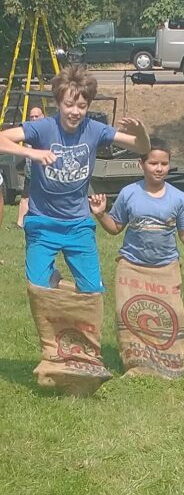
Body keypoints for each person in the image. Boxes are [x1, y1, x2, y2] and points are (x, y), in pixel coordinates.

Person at [0, 66, 151, 392]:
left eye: (81, 106)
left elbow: (141, 147)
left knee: (92, 293)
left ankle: (86, 357)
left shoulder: (95, 130)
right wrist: (32, 151)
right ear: (59, 103)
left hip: (79, 224)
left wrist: (141, 133)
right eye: (69, 104)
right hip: (42, 222)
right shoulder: (42, 128)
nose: (75, 111)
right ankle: (55, 344)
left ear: (88, 106)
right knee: (37, 286)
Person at [90, 138, 184, 377]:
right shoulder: (129, 194)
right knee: (128, 314)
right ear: (141, 164)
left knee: (173, 316)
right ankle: (137, 364)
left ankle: (170, 365)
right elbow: (115, 228)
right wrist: (101, 215)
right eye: (153, 163)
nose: (159, 168)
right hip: (132, 266)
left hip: (166, 268)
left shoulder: (180, 199)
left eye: (164, 163)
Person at [16, 104, 45, 228]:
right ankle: (20, 222)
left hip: (45, 169)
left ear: (43, 116)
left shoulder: (48, 129)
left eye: (36, 116)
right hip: (31, 168)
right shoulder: (28, 130)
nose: (33, 119)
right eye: (31, 117)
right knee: (25, 195)